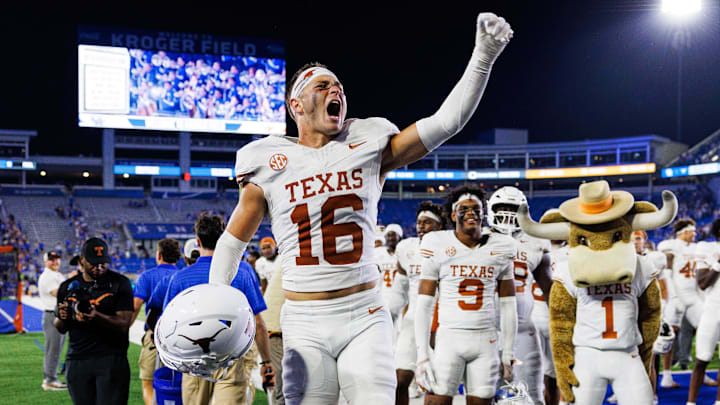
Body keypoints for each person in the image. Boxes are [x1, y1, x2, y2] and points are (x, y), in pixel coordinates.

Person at [207, 12, 513, 404]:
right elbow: (232, 244)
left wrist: (483, 56)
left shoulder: (365, 141)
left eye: (338, 84)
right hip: (303, 321)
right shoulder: (268, 161)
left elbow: (446, 123)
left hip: (363, 313)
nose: (336, 88)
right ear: (296, 104)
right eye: (323, 85)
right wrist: (216, 298)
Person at [415, 186, 518, 405]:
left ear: (484, 214)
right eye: (464, 208)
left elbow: (509, 305)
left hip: (486, 340)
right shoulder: (437, 243)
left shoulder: (503, 246)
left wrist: (508, 352)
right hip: (448, 338)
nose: (471, 212)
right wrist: (422, 355)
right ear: (453, 215)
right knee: (436, 401)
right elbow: (423, 304)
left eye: (476, 208)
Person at [163, 214, 275, 405]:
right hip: (233, 352)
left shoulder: (180, 279)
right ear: (223, 239)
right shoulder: (243, 271)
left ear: (197, 241)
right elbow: (257, 322)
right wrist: (266, 361)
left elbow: (168, 328)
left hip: (194, 354)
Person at [487, 186, 553, 405]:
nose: (507, 213)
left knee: (531, 395)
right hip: (485, 329)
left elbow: (549, 289)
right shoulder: (479, 238)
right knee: (486, 394)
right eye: (502, 208)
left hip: (523, 329)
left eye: (512, 208)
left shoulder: (535, 242)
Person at [54, 238, 134, 405]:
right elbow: (60, 327)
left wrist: (96, 315)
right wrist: (63, 316)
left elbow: (124, 323)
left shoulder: (120, 283)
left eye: (103, 263)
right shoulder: (67, 286)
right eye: (94, 263)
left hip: (111, 358)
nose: (99, 267)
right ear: (82, 260)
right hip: (77, 358)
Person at [389, 201, 446, 405]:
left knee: (436, 384)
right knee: (400, 379)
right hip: (412, 320)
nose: (421, 226)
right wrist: (388, 314)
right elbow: (399, 291)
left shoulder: (450, 248)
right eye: (419, 222)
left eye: (427, 222)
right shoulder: (406, 248)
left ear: (439, 226)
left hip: (440, 323)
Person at [657, 218, 709, 388]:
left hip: (693, 295)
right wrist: (671, 297)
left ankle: (702, 372)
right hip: (676, 294)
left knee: (705, 330)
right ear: (683, 232)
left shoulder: (696, 247)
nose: (695, 234)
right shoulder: (671, 245)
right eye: (692, 231)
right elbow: (667, 268)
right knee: (669, 335)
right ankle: (666, 376)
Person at [131, 238, 182, 405]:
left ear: (158, 255)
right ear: (178, 256)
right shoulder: (184, 275)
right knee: (183, 385)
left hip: (155, 335)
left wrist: (125, 328)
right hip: (183, 338)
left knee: (149, 382)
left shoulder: (147, 276)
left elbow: (136, 305)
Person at [686, 218, 720, 405]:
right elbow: (703, 283)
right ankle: (691, 402)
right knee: (702, 359)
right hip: (713, 310)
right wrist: (718, 263)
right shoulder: (706, 249)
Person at [38, 250, 67, 391]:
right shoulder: (48, 276)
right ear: (45, 261)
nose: (55, 262)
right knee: (53, 350)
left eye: (57, 259)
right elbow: (58, 293)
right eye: (52, 260)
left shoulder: (56, 274)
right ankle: (49, 380)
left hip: (58, 315)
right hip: (52, 315)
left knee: (56, 349)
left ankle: (52, 378)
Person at [376, 223, 402, 324]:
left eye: (393, 235)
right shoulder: (378, 254)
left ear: (399, 237)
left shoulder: (405, 253)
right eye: (388, 235)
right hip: (384, 295)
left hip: (400, 296)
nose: (390, 238)